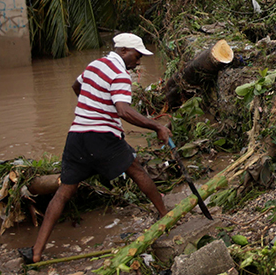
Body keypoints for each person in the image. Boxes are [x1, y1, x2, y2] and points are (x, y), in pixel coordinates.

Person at [28, 33, 171, 263]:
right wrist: (157, 127)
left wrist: (92, 107)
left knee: (63, 192)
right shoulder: (121, 74)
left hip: (76, 136)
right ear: (124, 51)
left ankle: (36, 252)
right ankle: (166, 214)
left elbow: (76, 86)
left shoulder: (94, 65)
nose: (139, 61)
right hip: (101, 137)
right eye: (137, 55)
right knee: (136, 170)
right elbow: (123, 110)